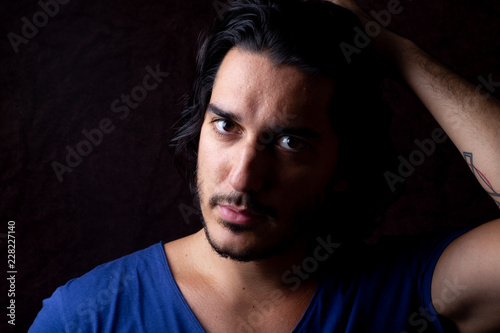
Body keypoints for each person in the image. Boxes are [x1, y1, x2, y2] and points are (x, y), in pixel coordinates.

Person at [29, 0, 500, 332]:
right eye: (226, 127)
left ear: (344, 166)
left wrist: (392, 49)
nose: (243, 177)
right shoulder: (86, 317)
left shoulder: (404, 294)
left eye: (291, 141)